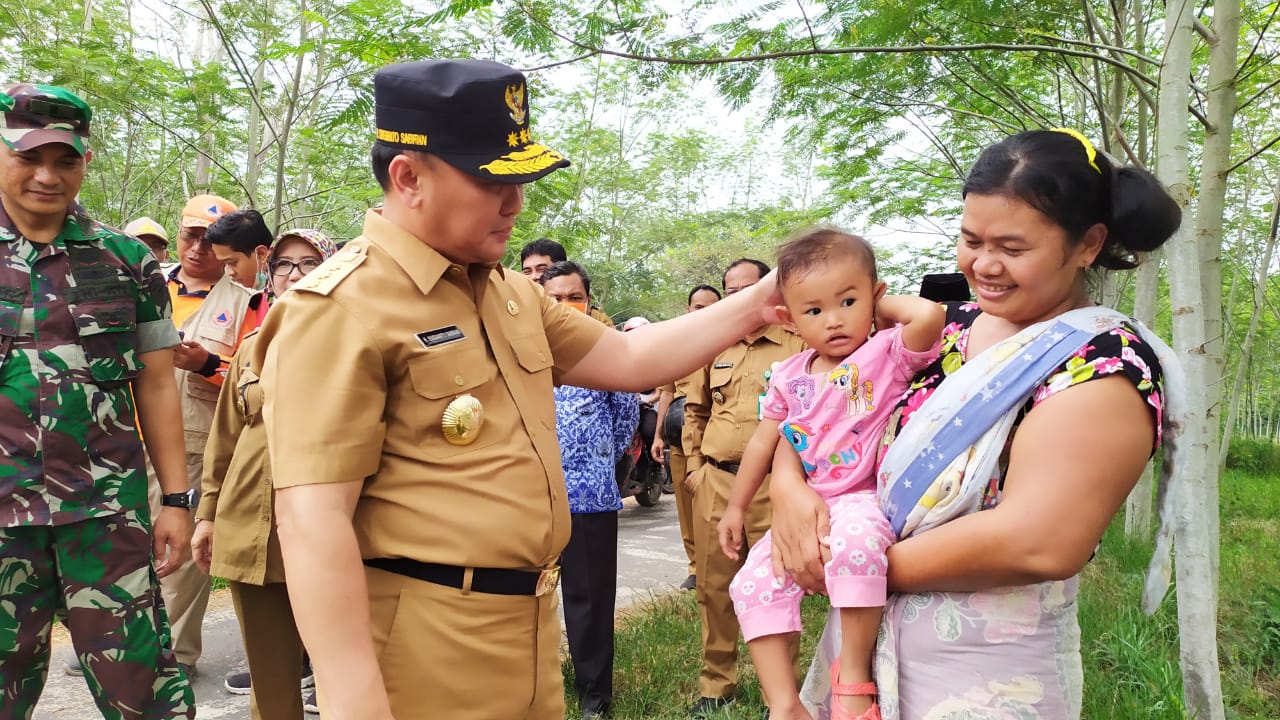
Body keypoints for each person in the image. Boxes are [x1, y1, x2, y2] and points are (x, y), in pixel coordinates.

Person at [253, 58, 785, 720]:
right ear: (407, 177)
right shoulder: (338, 307)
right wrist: (356, 701)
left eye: (521, 181)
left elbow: (629, 356)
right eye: (490, 181)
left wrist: (767, 299)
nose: (515, 203)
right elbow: (312, 521)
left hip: (530, 624)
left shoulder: (507, 293)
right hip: (424, 642)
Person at [767, 130, 1183, 720]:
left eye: (1013, 248)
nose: (983, 266)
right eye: (970, 240)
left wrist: (845, 562)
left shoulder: (1102, 366)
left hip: (985, 674)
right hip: (861, 646)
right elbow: (823, 409)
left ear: (1088, 244)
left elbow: (1038, 543)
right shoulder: (940, 329)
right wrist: (787, 490)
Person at [0, 82, 194, 718]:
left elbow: (158, 383)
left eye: (66, 160)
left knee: (145, 693)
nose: (47, 176)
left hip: (105, 518)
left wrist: (175, 500)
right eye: (29, 157)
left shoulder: (129, 262)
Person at [716, 230, 943, 720]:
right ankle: (784, 704)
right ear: (789, 319)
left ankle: (853, 676)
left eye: (848, 300)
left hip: (864, 498)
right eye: (814, 310)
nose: (835, 319)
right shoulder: (788, 375)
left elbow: (929, 315)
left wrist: (879, 309)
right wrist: (736, 506)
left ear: (875, 295)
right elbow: (764, 441)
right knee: (751, 584)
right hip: (806, 501)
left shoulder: (885, 354)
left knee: (859, 551)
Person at [192, 228, 336, 719]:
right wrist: (207, 515)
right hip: (255, 533)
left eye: (309, 262)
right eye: (284, 265)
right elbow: (224, 439)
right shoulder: (252, 347)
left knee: (347, 677)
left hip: (337, 537)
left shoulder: (361, 344)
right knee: (272, 688)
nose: (295, 274)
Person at [682, 258, 807, 717]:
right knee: (714, 587)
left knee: (778, 586)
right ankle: (717, 683)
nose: (736, 297)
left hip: (776, 484)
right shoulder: (714, 346)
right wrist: (695, 466)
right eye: (729, 289)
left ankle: (785, 691)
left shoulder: (798, 341)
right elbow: (694, 411)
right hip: (716, 480)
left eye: (746, 288)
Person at [151, 192, 263, 678]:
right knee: (126, 547)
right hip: (123, 440)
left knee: (177, 556)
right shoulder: (145, 284)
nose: (196, 248)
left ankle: (172, 656)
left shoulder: (246, 302)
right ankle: (126, 645)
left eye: (206, 238)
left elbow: (254, 383)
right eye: (189, 234)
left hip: (195, 442)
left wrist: (207, 365)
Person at [541, 261, 639, 720]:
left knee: (589, 601)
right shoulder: (523, 351)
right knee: (523, 601)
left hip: (588, 497)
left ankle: (594, 696)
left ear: (588, 300)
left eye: (573, 297)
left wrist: (593, 462)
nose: (564, 306)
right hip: (528, 501)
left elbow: (625, 423)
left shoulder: (603, 353)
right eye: (554, 298)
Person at [652, 283, 722, 590]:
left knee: (715, 506)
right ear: (688, 309)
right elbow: (666, 394)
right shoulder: (674, 344)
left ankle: (721, 565)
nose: (704, 313)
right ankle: (695, 567)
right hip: (680, 434)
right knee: (685, 504)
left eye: (711, 307)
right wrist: (657, 436)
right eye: (698, 307)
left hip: (715, 438)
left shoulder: (728, 342)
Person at [208, 209, 273, 292]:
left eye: (232, 263)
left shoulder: (285, 293)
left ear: (261, 254)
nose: (229, 273)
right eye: (224, 264)